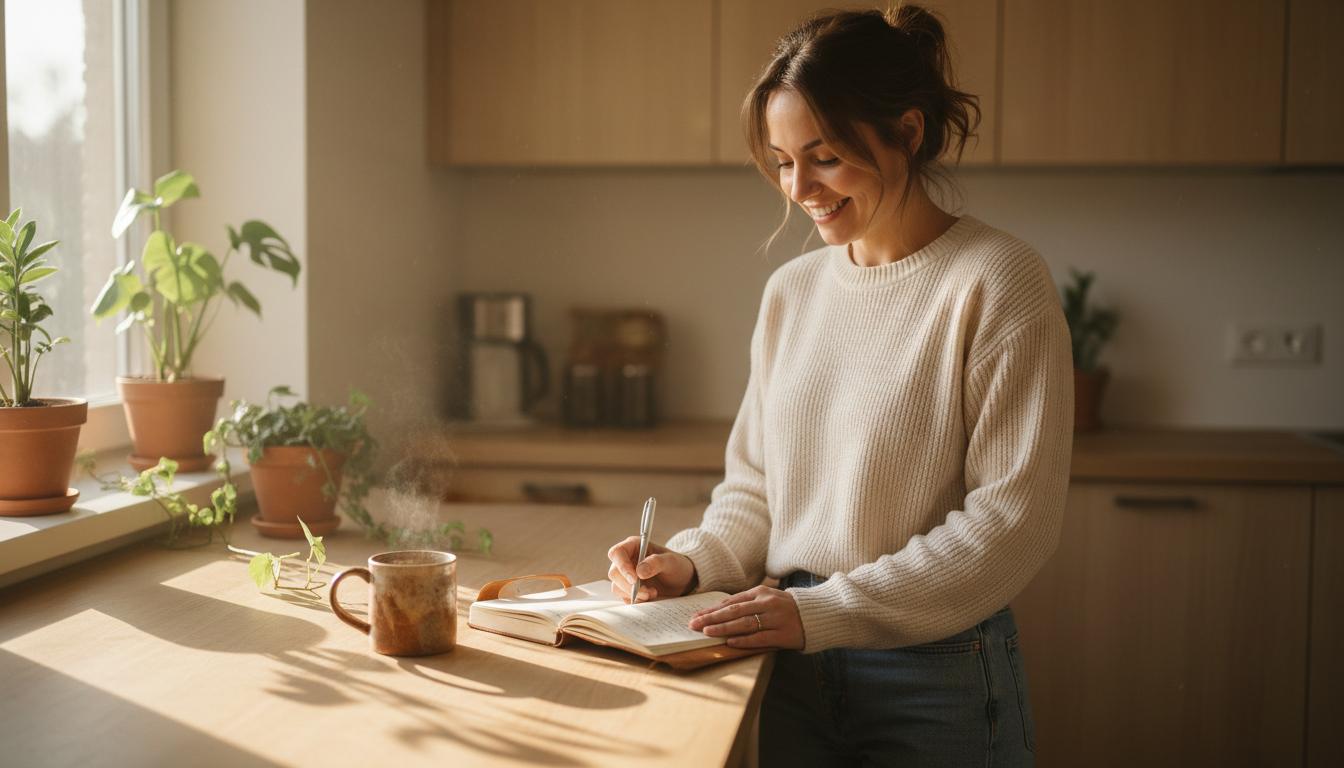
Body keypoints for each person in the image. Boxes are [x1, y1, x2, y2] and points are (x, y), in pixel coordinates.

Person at [607, 4, 1072, 766]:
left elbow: (1011, 525)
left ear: (908, 134)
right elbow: (755, 489)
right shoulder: (791, 292)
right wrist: (692, 562)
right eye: (783, 161)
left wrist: (825, 610)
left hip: (934, 671)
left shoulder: (996, 281)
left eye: (823, 157)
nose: (799, 188)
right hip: (792, 661)